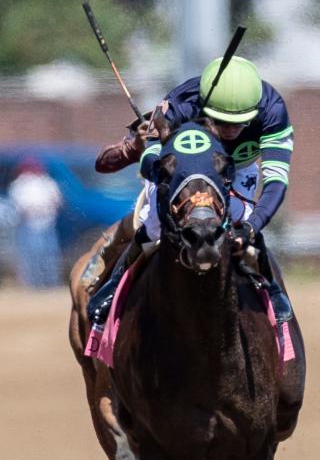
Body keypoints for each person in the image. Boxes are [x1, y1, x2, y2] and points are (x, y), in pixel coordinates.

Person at [88, 55, 294, 325]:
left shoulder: (273, 110)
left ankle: (270, 284)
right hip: (182, 172)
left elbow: (276, 181)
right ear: (205, 106)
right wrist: (146, 153)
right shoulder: (180, 105)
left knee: (242, 221)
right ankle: (114, 285)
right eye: (221, 122)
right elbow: (152, 164)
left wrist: (252, 227)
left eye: (240, 123)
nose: (231, 131)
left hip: (236, 169)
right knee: (153, 224)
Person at [8, 159, 63, 288]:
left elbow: (57, 200)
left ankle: (50, 283)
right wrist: (34, 209)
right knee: (31, 256)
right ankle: (32, 284)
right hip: (29, 225)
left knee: (49, 255)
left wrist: (47, 208)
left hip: (47, 224)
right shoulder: (20, 184)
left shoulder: (47, 182)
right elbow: (18, 205)